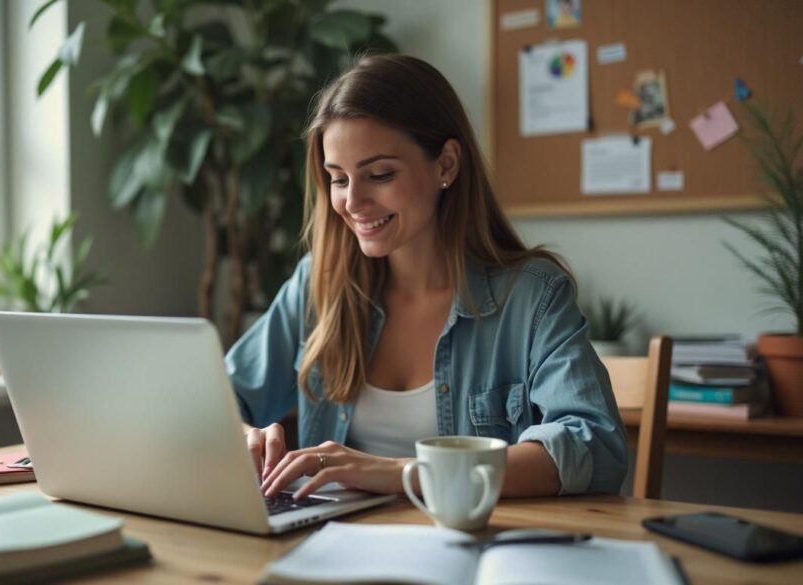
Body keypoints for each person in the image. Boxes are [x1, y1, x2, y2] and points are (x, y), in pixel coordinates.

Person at [225, 54, 627, 502]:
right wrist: (242, 436)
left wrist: (402, 473)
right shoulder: (317, 286)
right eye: (338, 179)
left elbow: (594, 445)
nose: (353, 202)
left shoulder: (532, 297)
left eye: (379, 174)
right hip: (336, 548)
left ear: (447, 165)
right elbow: (214, 398)